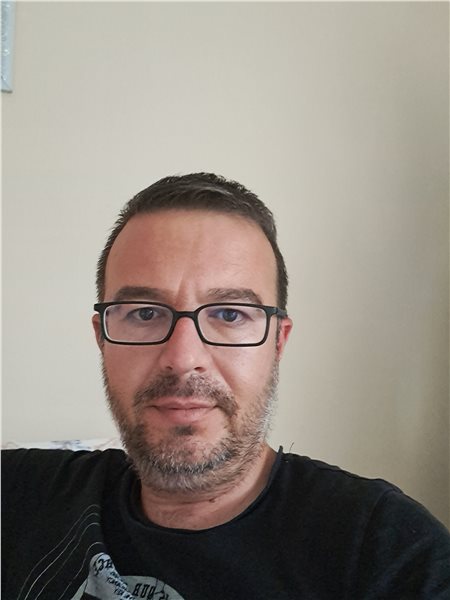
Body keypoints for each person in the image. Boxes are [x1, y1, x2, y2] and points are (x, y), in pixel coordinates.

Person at [2, 173, 450, 600]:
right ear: (101, 338)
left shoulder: (385, 551)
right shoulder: (23, 495)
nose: (183, 357)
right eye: (144, 313)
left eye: (230, 314)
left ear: (278, 342)